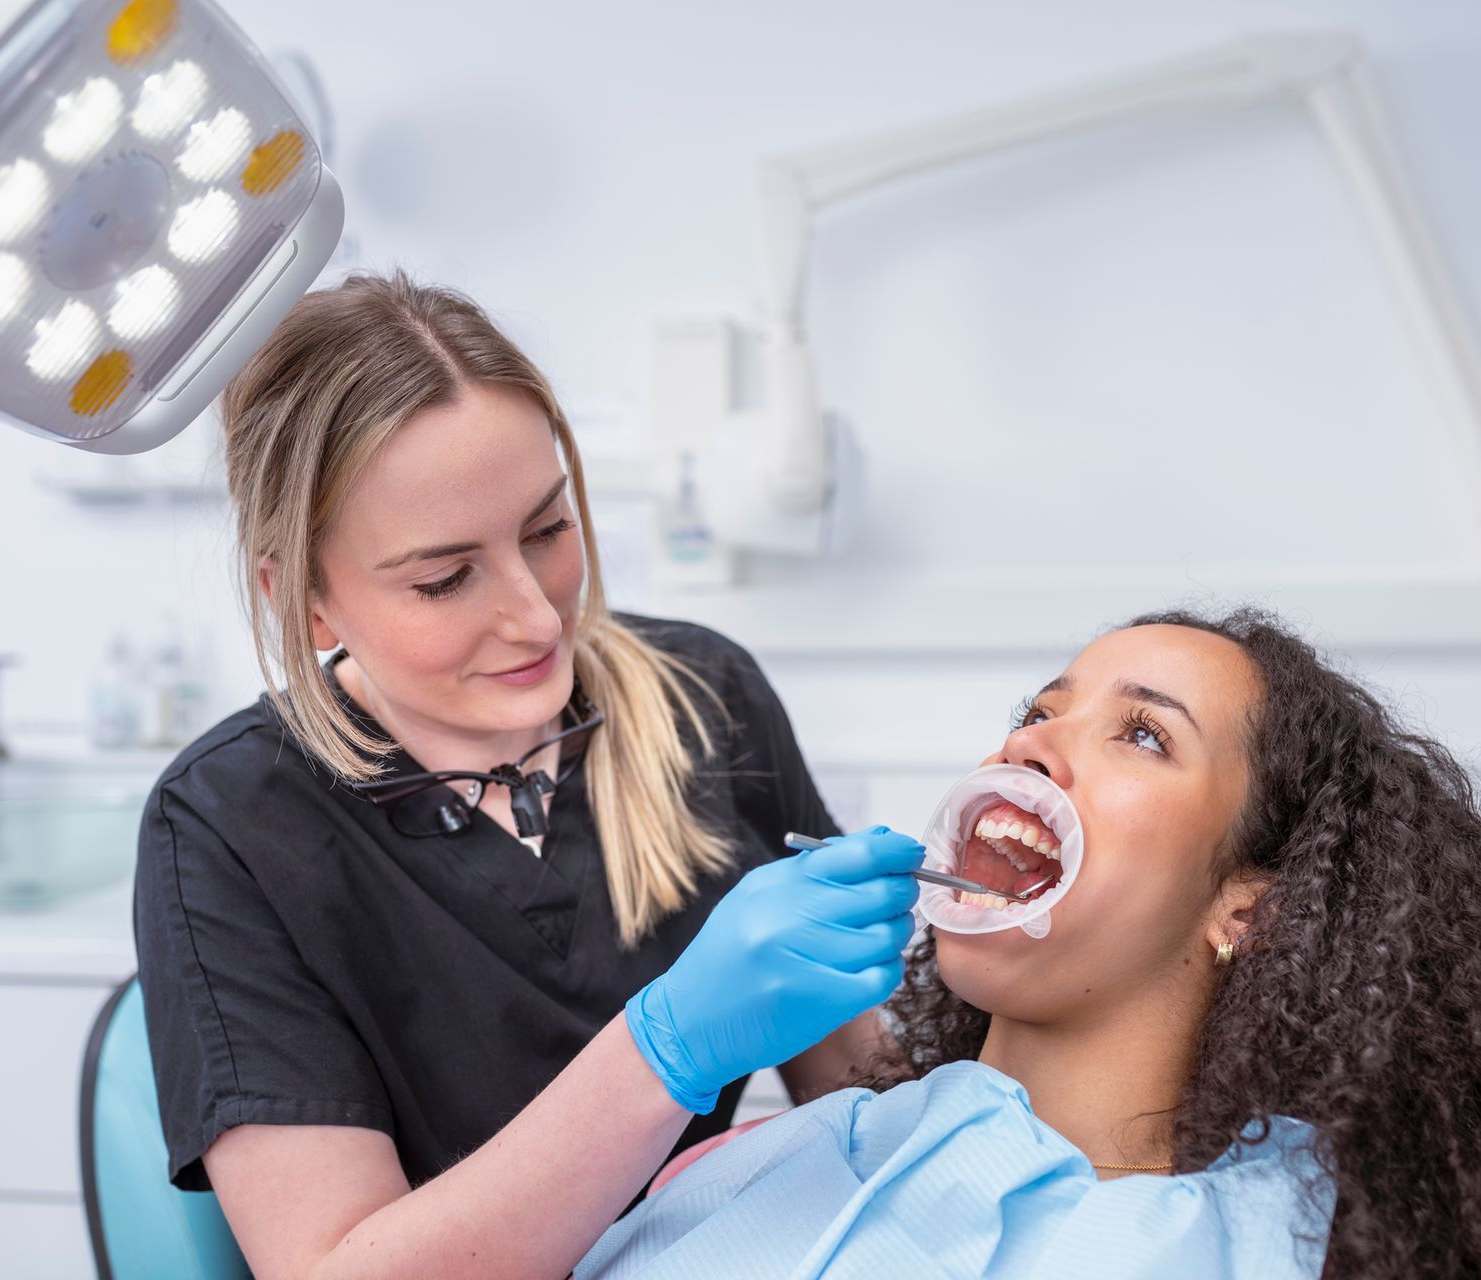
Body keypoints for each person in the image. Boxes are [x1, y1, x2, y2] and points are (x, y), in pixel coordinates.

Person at [133, 271, 924, 1279]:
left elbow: (870, 1099)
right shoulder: (230, 826)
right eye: (445, 576)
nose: (539, 616)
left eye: (548, 531)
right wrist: (661, 1050)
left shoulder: (704, 699)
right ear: (305, 598)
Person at [577, 609, 1481, 1279]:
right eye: (1040, 710)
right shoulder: (769, 1161)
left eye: (1142, 733)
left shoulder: (1264, 1245)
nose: (1028, 740)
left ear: (1251, 910)